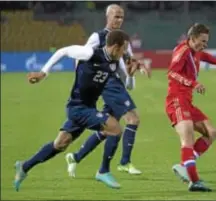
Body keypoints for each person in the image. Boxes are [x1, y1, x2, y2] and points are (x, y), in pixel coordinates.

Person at [14, 30, 132, 191]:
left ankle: (24, 167)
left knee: (60, 144)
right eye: (124, 48)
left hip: (88, 108)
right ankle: (103, 171)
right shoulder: (89, 53)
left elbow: (128, 84)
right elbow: (63, 51)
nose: (125, 52)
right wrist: (43, 72)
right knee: (115, 129)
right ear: (116, 47)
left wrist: (131, 75)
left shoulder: (117, 63)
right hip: (77, 107)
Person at [64, 4, 150, 182]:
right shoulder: (98, 36)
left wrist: (134, 73)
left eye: (121, 17)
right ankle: (124, 162)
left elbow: (127, 70)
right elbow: (82, 57)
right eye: (116, 16)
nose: (119, 20)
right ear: (108, 17)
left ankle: (76, 157)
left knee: (107, 129)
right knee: (133, 118)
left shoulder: (124, 42)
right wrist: (85, 82)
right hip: (108, 84)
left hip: (116, 83)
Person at [165, 24, 216, 192]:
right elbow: (171, 73)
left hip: (187, 102)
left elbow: (205, 56)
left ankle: (185, 165)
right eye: (202, 41)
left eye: (206, 41)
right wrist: (193, 83)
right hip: (176, 101)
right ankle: (194, 180)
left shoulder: (195, 51)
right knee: (188, 136)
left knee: (211, 132)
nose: (204, 44)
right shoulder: (182, 52)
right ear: (193, 38)